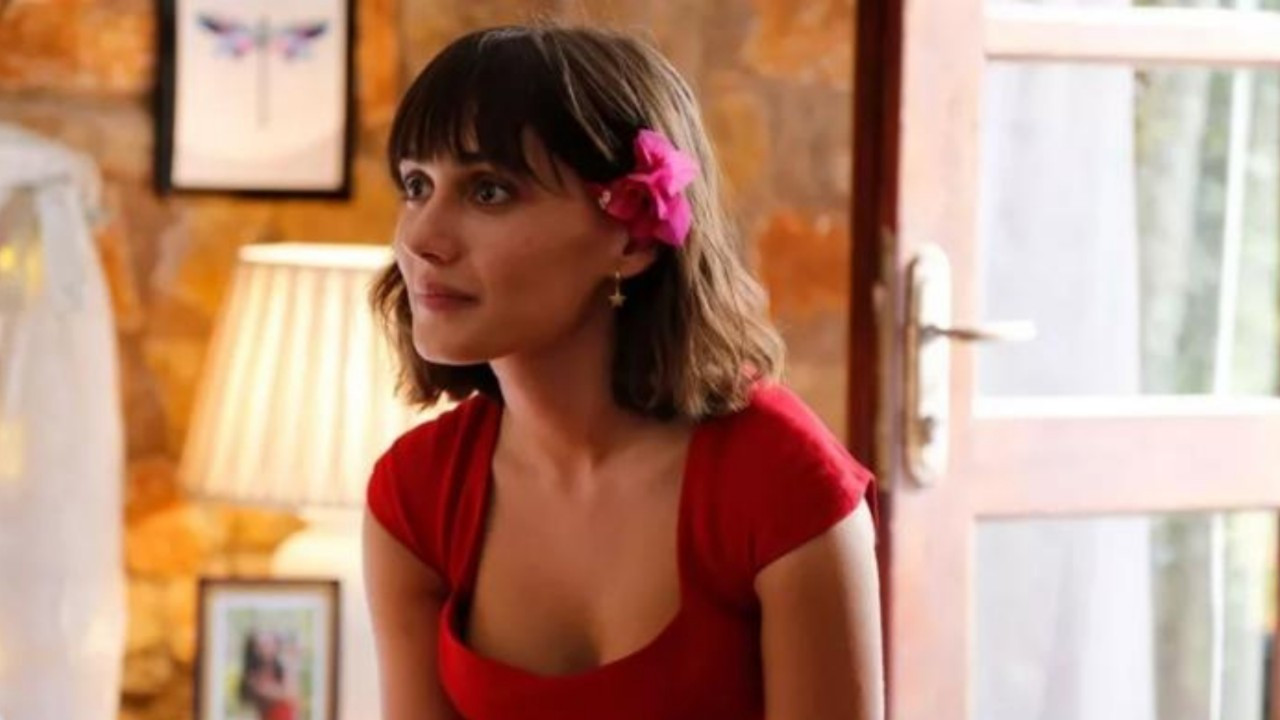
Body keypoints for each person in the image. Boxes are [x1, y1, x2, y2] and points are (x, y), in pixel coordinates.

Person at [363, 23, 883, 720]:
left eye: (488, 191)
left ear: (634, 239)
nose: (421, 238)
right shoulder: (416, 497)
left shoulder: (783, 484)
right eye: (416, 185)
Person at [238, 630, 300, 720]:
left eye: (271, 642)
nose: (271, 646)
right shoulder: (254, 678)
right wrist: (292, 661)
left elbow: (293, 699)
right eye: (264, 644)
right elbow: (287, 695)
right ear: (255, 650)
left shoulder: (279, 670)